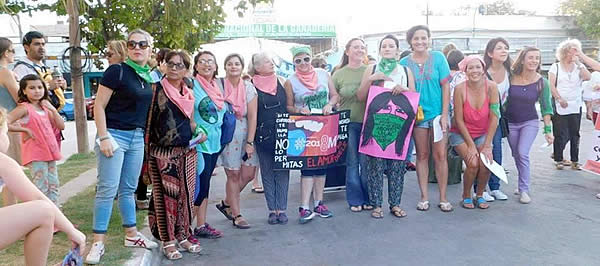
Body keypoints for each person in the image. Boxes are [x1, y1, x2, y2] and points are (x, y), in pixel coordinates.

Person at [86, 29, 158, 264]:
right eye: (132, 44)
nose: (137, 47)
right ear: (127, 48)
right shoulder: (117, 71)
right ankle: (98, 242)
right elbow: (98, 105)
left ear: (150, 49)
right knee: (107, 189)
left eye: (142, 44)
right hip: (114, 135)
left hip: (136, 138)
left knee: (128, 189)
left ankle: (131, 235)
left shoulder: (147, 76)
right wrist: (104, 137)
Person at [0, 107, 86, 266]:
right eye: (5, 133)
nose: (7, 139)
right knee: (44, 212)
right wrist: (72, 231)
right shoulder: (3, 162)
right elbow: (38, 198)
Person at [145, 50, 202, 260]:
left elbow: (191, 121)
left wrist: (197, 133)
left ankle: (184, 235)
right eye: (171, 64)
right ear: (163, 66)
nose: (175, 68)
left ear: (186, 69)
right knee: (165, 197)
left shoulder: (188, 90)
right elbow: (148, 123)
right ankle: (168, 241)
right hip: (162, 152)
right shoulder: (156, 90)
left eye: (180, 65)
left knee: (186, 196)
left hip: (186, 150)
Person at [357, 34, 416, 218]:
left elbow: (414, 96)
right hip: (376, 124)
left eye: (391, 46)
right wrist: (370, 79)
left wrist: (404, 90)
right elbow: (360, 96)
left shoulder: (405, 71)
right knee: (374, 166)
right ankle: (376, 205)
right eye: (384, 46)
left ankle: (395, 204)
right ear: (380, 50)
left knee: (397, 165)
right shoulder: (371, 68)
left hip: (399, 124)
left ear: (398, 50)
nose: (388, 49)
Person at [399, 25, 453, 212]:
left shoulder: (439, 58)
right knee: (422, 155)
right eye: (416, 38)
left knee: (440, 156)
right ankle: (424, 197)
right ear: (410, 41)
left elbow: (446, 87)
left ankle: (443, 198)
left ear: (429, 39)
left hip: (438, 115)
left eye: (424, 38)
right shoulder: (404, 62)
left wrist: (445, 115)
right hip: (417, 116)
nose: (420, 42)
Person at [284, 46, 339, 223]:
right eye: (298, 61)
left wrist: (330, 105)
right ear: (293, 63)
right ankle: (304, 207)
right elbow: (289, 106)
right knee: (307, 167)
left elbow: (335, 95)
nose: (303, 64)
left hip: (325, 125)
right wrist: (300, 110)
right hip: (304, 128)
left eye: (306, 59)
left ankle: (319, 203)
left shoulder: (324, 74)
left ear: (311, 59)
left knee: (322, 166)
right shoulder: (290, 81)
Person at [214, 53, 259, 229]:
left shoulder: (248, 88)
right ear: (225, 67)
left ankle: (226, 203)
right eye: (230, 64)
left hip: (245, 132)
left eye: (237, 64)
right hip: (228, 133)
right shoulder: (218, 85)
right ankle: (237, 214)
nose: (233, 67)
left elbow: (253, 116)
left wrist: (250, 142)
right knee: (232, 174)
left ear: (242, 67)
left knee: (248, 174)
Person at [449, 56, 499, 209]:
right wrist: (471, 145)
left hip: (482, 133)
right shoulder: (459, 89)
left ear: (483, 69)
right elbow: (458, 119)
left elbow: (494, 116)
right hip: (461, 133)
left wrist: (487, 145)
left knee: (486, 164)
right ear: (465, 71)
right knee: (472, 163)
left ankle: (480, 194)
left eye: (478, 67)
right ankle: (466, 195)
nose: (475, 71)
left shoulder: (491, 87)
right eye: (470, 68)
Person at [506, 46, 554, 204]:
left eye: (537, 58)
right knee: (516, 154)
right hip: (510, 122)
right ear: (523, 59)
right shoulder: (511, 77)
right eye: (531, 57)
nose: (534, 61)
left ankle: (524, 189)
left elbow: (546, 107)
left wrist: (548, 130)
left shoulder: (542, 82)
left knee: (523, 152)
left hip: (530, 122)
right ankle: (521, 184)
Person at [7, 74, 64, 206]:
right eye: (32, 88)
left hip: (50, 153)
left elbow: (61, 126)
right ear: (24, 91)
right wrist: (24, 130)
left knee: (54, 186)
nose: (37, 91)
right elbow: (4, 122)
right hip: (36, 154)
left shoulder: (46, 108)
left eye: (40, 87)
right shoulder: (23, 108)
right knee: (41, 187)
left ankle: (55, 219)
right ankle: (41, 218)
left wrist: (53, 110)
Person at [249, 52, 290, 224]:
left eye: (271, 61)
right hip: (263, 134)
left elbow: (290, 105)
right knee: (267, 171)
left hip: (283, 132)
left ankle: (282, 208)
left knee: (282, 171)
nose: (271, 63)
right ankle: (272, 210)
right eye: (266, 62)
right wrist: (250, 141)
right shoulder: (250, 85)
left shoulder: (282, 81)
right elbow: (251, 115)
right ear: (257, 67)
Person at [332, 38, 370, 212]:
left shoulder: (371, 70)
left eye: (362, 47)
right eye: (356, 47)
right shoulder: (338, 74)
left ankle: (370, 197)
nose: (359, 50)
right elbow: (333, 99)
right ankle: (355, 199)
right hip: (348, 122)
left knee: (367, 162)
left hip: (370, 122)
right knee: (352, 162)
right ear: (347, 51)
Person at [192, 51, 225, 238]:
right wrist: (195, 129)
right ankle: (183, 229)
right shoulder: (191, 85)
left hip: (214, 143)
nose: (206, 64)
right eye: (202, 61)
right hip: (198, 144)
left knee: (206, 187)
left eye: (210, 61)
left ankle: (201, 225)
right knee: (199, 187)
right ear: (196, 66)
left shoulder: (217, 85)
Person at [479, 37, 513, 201]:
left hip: (497, 119)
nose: (504, 51)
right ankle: (480, 189)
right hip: (480, 118)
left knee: (496, 152)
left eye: (506, 48)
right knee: (481, 152)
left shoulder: (510, 72)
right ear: (490, 53)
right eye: (500, 48)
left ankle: (495, 187)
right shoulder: (482, 72)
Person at [549, 39, 591, 170]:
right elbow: (551, 85)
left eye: (577, 50)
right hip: (560, 103)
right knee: (560, 132)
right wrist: (559, 98)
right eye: (573, 50)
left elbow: (588, 77)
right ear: (566, 51)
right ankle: (558, 159)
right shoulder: (555, 66)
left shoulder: (578, 67)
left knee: (575, 133)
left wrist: (579, 62)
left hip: (575, 103)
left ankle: (575, 160)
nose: (575, 52)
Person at [0, 37, 20, 206]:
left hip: (4, 126)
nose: (14, 54)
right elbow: (20, 99)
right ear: (6, 53)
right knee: (13, 174)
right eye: (13, 50)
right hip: (11, 126)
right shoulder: (5, 72)